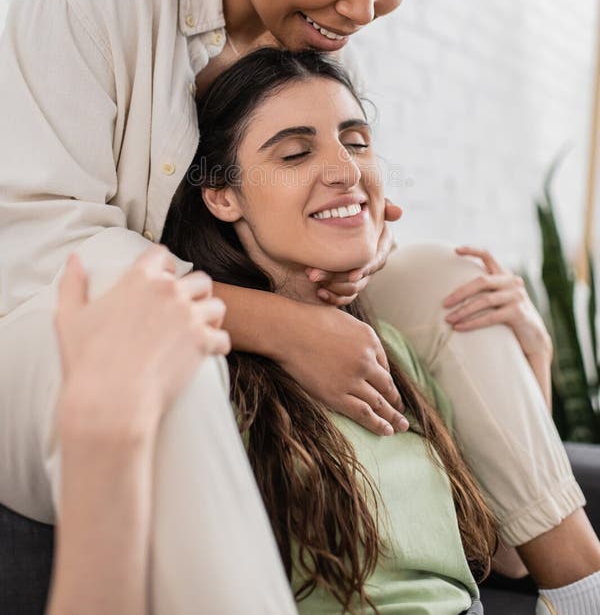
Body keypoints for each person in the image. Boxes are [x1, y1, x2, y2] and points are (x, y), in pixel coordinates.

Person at [0, 0, 596, 613]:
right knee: (172, 361)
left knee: (446, 280)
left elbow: (344, 215)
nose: (361, 7)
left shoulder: (316, 43)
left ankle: (580, 586)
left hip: (234, 303)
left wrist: (362, 248)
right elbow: (45, 253)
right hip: (53, 336)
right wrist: (288, 325)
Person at [49, 49, 600, 614]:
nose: (345, 169)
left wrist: (534, 356)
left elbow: (505, 557)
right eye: (293, 153)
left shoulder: (394, 352)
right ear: (222, 195)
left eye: (357, 142)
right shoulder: (207, 377)